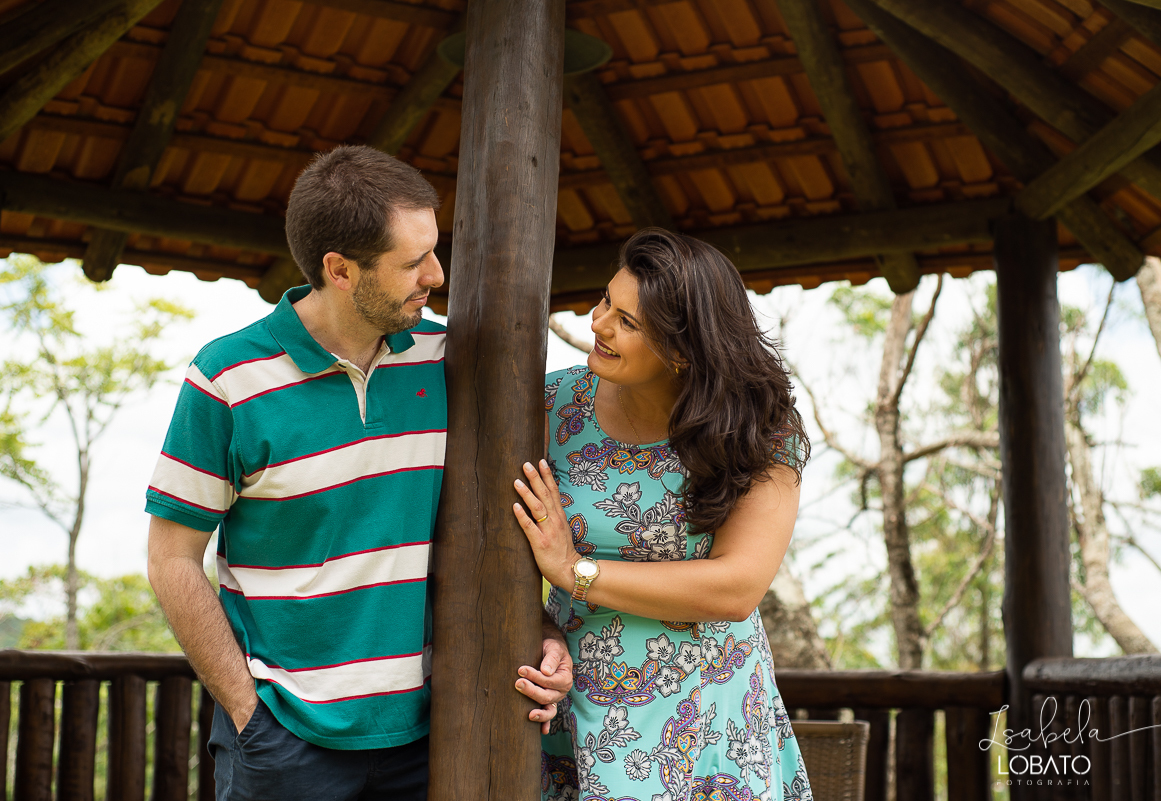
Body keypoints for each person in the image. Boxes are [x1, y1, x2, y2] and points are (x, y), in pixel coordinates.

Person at [146, 145, 571, 801]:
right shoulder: (228, 379)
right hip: (285, 744)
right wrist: (247, 709)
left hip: (430, 738)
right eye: (412, 261)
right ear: (340, 269)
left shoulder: (445, 359)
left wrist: (539, 630)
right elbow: (172, 558)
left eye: (435, 248)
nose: (436, 273)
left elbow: (477, 531)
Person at [511, 228, 814, 801]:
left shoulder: (763, 430)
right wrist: (541, 625)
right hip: (572, 697)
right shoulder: (548, 409)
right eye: (606, 301)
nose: (597, 325)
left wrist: (574, 570)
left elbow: (736, 586)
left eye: (627, 322)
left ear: (682, 348)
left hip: (709, 712)